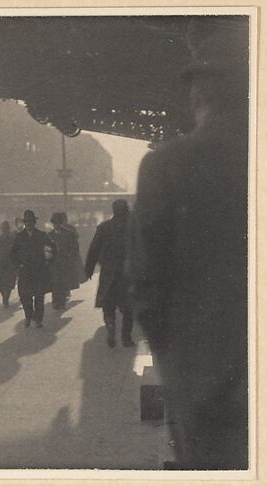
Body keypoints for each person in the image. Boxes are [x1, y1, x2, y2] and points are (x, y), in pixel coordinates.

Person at [128, 22, 248, 470]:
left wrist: (177, 360)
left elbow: (147, 285)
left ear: (199, 96)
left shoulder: (166, 165)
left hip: (205, 377)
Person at [84, 199, 134, 348]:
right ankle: (126, 338)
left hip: (109, 273)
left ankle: (110, 324)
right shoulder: (134, 228)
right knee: (128, 308)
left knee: (108, 304)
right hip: (128, 273)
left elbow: (94, 249)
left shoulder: (104, 227)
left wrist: (89, 269)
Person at [10, 209, 56, 327]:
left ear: (34, 223)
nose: (29, 224)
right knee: (25, 296)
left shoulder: (42, 235)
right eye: (27, 222)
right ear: (24, 223)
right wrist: (17, 266)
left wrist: (48, 261)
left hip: (39, 270)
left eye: (31, 221)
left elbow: (51, 248)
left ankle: (38, 319)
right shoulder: (19, 237)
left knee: (39, 296)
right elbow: (13, 253)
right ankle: (28, 315)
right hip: (25, 270)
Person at [48, 212, 83, 309]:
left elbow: (75, 248)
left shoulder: (69, 234)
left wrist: (70, 258)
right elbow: (46, 249)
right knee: (55, 283)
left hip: (65, 263)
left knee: (63, 283)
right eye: (55, 224)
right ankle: (55, 301)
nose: (57, 226)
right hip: (54, 264)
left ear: (61, 223)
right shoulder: (49, 236)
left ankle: (61, 302)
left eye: (58, 223)